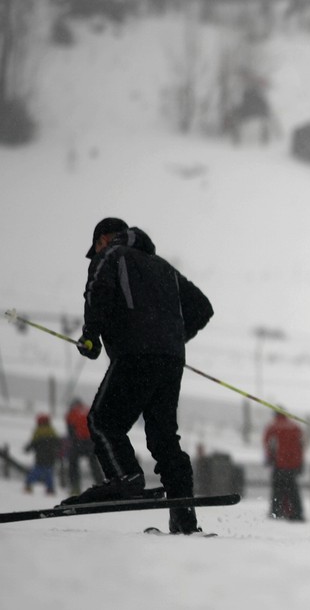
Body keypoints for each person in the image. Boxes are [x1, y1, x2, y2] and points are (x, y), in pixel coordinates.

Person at [62, 217, 214, 536]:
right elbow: (202, 308)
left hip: (135, 354)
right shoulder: (163, 267)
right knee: (163, 437)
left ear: (104, 239)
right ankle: (184, 520)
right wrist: (171, 339)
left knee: (104, 423)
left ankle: (125, 478)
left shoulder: (111, 256)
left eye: (97, 247)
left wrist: (91, 336)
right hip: (170, 360)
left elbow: (98, 291)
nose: (96, 254)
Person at [263, 411, 305, 521]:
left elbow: (269, 444)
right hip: (293, 464)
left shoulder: (273, 427)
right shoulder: (295, 427)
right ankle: (296, 513)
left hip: (279, 464)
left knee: (277, 488)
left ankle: (276, 511)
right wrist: (300, 463)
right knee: (293, 489)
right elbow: (301, 446)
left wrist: (269, 458)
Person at [64, 398, 103, 495]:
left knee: (73, 464)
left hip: (78, 442)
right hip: (91, 442)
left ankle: (75, 488)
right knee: (94, 465)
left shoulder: (71, 413)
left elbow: (70, 431)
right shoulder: (88, 410)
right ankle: (101, 485)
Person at [24, 413, 61, 495]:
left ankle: (28, 484)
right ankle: (50, 488)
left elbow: (33, 443)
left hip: (40, 456)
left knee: (36, 471)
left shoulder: (38, 430)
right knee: (49, 472)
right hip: (51, 456)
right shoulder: (51, 430)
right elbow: (57, 442)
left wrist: (28, 448)